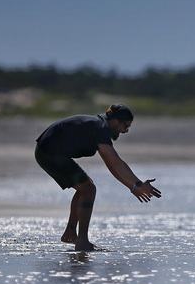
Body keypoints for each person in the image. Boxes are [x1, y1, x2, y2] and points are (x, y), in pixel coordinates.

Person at [34, 104, 161, 251]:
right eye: (125, 126)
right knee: (88, 189)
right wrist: (137, 184)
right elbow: (115, 161)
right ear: (114, 121)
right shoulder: (100, 128)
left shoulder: (99, 126)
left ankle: (70, 233)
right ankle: (82, 242)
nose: (126, 131)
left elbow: (111, 165)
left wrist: (132, 186)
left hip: (47, 152)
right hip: (49, 154)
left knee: (85, 188)